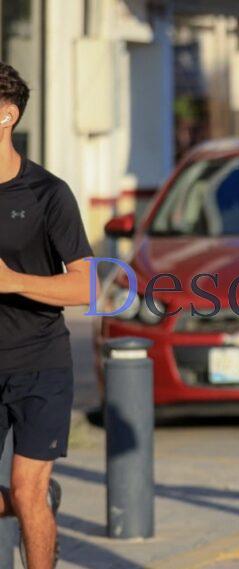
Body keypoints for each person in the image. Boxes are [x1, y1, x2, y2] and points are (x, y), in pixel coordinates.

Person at [0, 61, 94, 568]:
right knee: (22, 494)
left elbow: (87, 284)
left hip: (40, 363)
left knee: (26, 489)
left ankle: (32, 502)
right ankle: (29, 500)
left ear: (7, 115)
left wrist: (13, 281)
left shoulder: (46, 193)